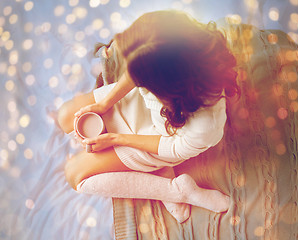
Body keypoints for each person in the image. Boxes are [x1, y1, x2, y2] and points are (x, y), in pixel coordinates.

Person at [57, 10, 239, 223]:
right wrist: (104, 104)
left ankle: (176, 191)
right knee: (65, 116)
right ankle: (158, 173)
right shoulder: (165, 50)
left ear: (165, 87)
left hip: (160, 139)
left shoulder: (206, 125)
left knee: (74, 175)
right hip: (145, 105)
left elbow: (170, 146)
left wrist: (116, 140)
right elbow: (139, 70)